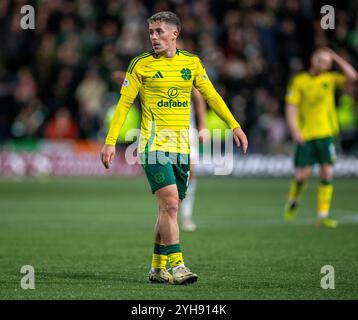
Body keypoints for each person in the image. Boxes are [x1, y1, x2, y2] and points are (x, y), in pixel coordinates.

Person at [100, 11, 248, 285]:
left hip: (182, 146)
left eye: (159, 32)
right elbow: (123, 104)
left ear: (174, 34)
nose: (154, 37)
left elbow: (211, 95)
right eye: (151, 32)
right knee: (169, 203)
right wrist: (110, 141)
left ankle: (157, 267)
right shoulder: (140, 65)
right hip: (152, 145)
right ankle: (177, 265)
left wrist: (234, 125)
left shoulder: (191, 63)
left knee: (169, 210)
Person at [284, 47, 358, 228]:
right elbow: (291, 107)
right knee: (303, 176)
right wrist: (294, 130)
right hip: (306, 134)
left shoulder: (330, 79)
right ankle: (293, 198)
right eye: (321, 61)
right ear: (313, 60)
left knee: (327, 172)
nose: (323, 65)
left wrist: (335, 56)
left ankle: (323, 216)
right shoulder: (299, 81)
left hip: (326, 134)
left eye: (327, 63)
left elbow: (353, 77)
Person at [180, 87, 207, 232]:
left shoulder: (185, 68)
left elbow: (198, 97)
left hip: (188, 130)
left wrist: (203, 125)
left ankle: (186, 215)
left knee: (191, 172)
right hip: (165, 130)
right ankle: (172, 213)